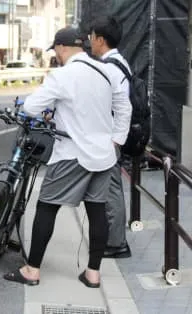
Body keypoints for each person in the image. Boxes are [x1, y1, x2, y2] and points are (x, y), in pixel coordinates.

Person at [3, 27, 131, 288]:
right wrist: (116, 140)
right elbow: (123, 107)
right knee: (97, 211)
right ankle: (93, 273)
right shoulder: (107, 71)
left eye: (56, 51)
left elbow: (30, 108)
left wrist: (49, 112)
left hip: (72, 154)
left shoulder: (62, 75)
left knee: (47, 207)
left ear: (61, 48)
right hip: (104, 154)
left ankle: (32, 270)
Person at [89, 16, 132, 258]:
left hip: (111, 138)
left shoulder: (110, 67)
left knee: (112, 189)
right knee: (109, 188)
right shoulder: (118, 62)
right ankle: (112, 239)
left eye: (92, 37)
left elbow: (122, 107)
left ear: (101, 40)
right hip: (112, 136)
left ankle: (117, 244)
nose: (90, 42)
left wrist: (116, 141)